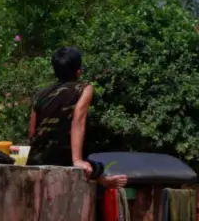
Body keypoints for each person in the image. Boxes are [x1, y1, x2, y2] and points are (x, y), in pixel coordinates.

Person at [28, 46, 126, 188]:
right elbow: (78, 118)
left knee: (92, 165)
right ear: (78, 71)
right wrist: (77, 159)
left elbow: (32, 132)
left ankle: (102, 179)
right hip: (63, 158)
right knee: (95, 166)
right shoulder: (84, 88)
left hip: (36, 159)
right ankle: (103, 180)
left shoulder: (40, 94)